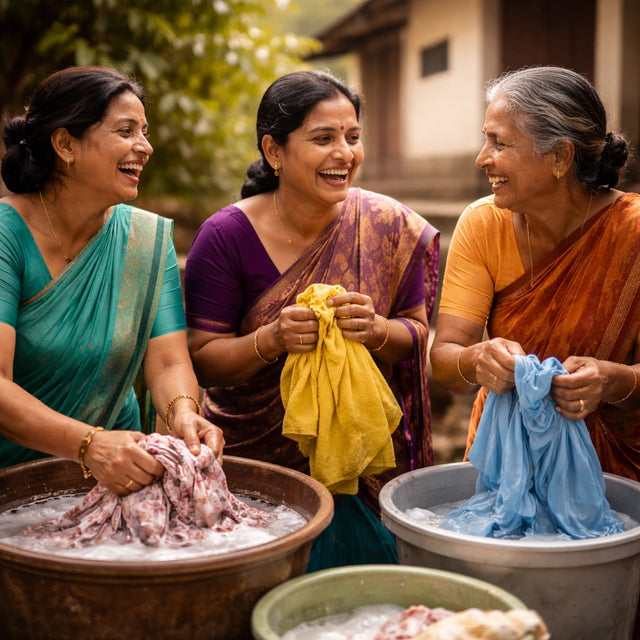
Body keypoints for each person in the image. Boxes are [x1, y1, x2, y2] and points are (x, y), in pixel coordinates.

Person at [184, 70, 439, 569]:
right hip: (255, 469)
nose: (344, 153)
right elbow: (202, 360)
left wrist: (378, 330)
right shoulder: (226, 235)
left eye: (353, 137)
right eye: (323, 138)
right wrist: (271, 338)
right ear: (274, 151)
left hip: (363, 463)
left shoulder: (388, 226)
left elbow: (417, 332)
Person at [0, 66, 224, 496]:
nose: (145, 147)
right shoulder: (7, 237)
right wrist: (89, 446)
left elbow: (169, 362)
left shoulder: (145, 239)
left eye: (144, 131)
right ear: (65, 144)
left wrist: (183, 413)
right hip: (13, 483)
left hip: (121, 477)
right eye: (126, 131)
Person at [430, 65, 640, 482]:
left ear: (560, 156)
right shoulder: (483, 224)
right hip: (504, 463)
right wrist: (477, 361)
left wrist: (612, 381)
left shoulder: (632, 232)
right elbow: (444, 360)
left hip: (614, 472)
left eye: (498, 143)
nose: (481, 159)